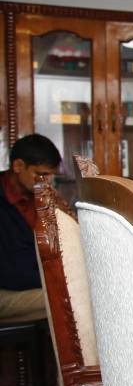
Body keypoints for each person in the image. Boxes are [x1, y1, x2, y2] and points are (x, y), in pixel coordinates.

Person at [0, 134, 62, 323]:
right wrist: (58, 280)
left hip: (32, 283)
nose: (47, 182)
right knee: (69, 300)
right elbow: (10, 273)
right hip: (7, 289)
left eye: (50, 175)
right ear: (18, 166)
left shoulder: (39, 197)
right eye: (41, 174)